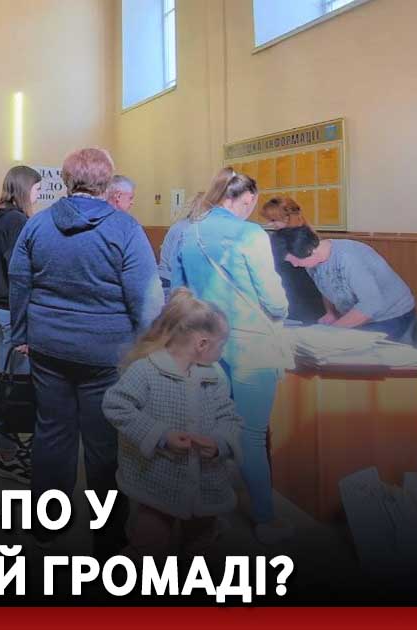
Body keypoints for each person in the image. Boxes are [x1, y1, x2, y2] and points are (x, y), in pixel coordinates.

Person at [8, 147, 163, 555]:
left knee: (51, 433)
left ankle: (46, 523)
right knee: (104, 443)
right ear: (107, 182)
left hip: (48, 346)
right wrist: (148, 345)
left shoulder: (39, 224)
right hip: (107, 353)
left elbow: (19, 281)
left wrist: (21, 332)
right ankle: (108, 535)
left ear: (64, 179)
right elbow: (146, 297)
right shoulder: (125, 228)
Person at [169, 170, 295, 545]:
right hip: (251, 343)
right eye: (250, 205)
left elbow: (178, 289)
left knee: (209, 430)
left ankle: (209, 517)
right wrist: (280, 310)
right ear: (245, 199)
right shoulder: (250, 234)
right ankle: (265, 519)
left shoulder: (188, 232)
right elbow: (273, 299)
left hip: (205, 343)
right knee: (250, 435)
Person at [103, 289, 243, 557]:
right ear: (202, 344)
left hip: (205, 484)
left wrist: (219, 443)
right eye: (221, 345)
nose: (222, 351)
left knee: (201, 545)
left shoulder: (215, 376)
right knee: (149, 545)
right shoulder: (146, 371)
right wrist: (160, 435)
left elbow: (228, 416)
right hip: (157, 481)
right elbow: (116, 405)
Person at [0, 164, 41, 483]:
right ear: (24, 188)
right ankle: (6, 455)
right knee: (14, 386)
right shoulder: (16, 220)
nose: (38, 194)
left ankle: (9, 449)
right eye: (36, 188)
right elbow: (20, 272)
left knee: (9, 377)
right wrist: (23, 328)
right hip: (12, 309)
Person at [282, 226, 417, 342]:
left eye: (295, 261)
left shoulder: (348, 258)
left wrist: (331, 331)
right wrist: (331, 313)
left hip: (391, 315)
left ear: (311, 252)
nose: (295, 265)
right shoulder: (311, 261)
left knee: (352, 354)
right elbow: (325, 285)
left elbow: (371, 305)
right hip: (362, 314)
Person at [260, 197, 326, 323]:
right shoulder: (308, 232)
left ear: (287, 217)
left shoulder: (281, 238)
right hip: (315, 294)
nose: (270, 224)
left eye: (273, 220)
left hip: (293, 294)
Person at [158, 191, 206, 291]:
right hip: (169, 282)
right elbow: (173, 263)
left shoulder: (181, 225)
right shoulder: (188, 228)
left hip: (167, 280)